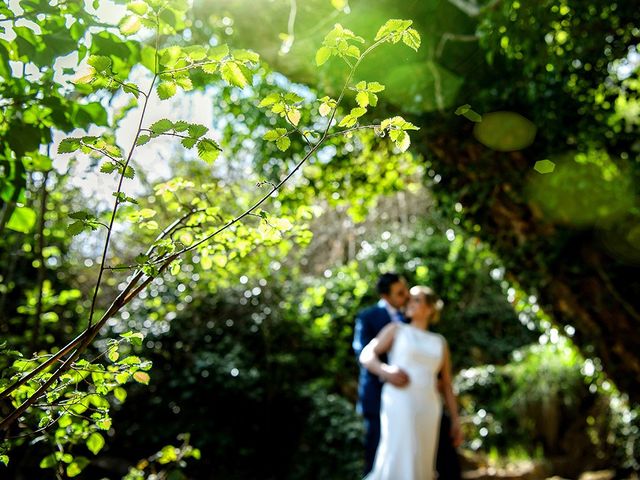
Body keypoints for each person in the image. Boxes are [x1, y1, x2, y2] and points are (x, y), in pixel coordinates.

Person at [359, 285, 463, 480]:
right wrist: (386, 371)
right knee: (403, 452)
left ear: (430, 308)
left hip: (429, 405)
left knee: (423, 457)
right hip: (400, 400)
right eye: (409, 299)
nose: (409, 302)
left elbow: (447, 384)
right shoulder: (396, 330)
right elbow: (367, 355)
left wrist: (456, 420)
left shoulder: (440, 342)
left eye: (416, 299)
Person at [352, 273, 410, 476]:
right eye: (400, 293)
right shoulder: (368, 317)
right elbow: (362, 353)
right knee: (375, 451)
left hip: (408, 396)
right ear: (386, 296)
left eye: (406, 290)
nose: (406, 295)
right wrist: (386, 372)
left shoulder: (411, 316)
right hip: (376, 394)